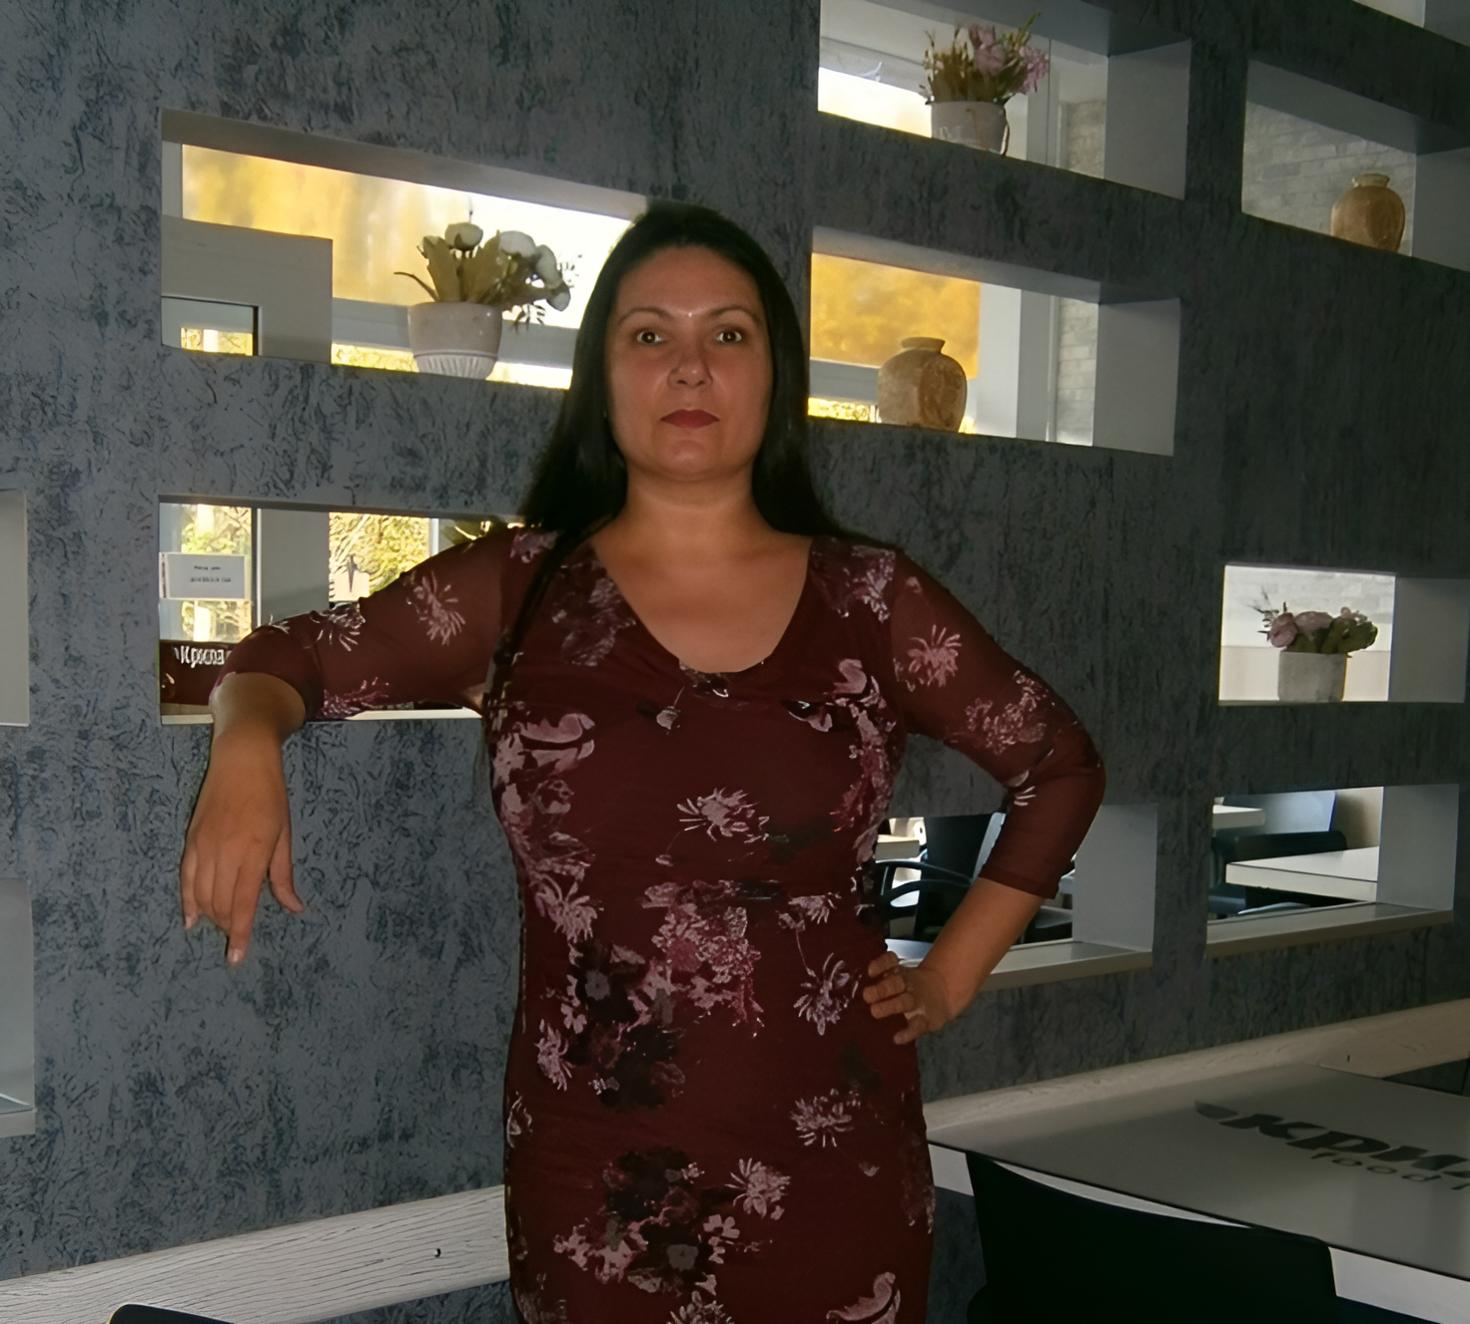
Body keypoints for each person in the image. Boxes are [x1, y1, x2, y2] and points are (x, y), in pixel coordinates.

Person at [180, 202, 1105, 1323]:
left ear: (775, 374)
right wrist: (247, 743)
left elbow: (1059, 765)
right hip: (595, 1181)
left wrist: (949, 977)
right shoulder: (521, 589)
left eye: (729, 334)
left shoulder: (872, 599)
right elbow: (286, 660)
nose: (690, 366)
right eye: (650, 334)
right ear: (601, 377)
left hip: (833, 1169)